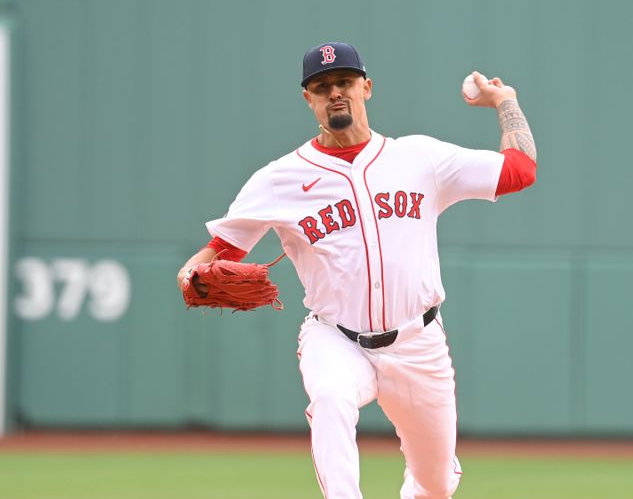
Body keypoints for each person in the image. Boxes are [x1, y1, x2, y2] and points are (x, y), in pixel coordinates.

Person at [176, 42, 537, 499]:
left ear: (366, 87)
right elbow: (215, 253)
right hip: (336, 338)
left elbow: (520, 170)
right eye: (321, 87)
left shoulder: (419, 158)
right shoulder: (279, 178)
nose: (335, 93)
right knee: (330, 400)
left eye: (344, 82)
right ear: (308, 99)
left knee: (436, 484)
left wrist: (507, 103)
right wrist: (191, 276)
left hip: (418, 343)